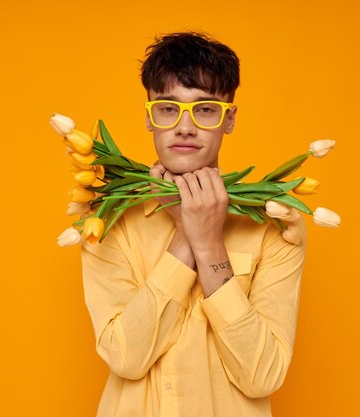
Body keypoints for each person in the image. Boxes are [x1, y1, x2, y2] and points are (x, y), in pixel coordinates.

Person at [81, 31, 307, 417]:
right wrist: (188, 234)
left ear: (229, 119)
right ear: (149, 117)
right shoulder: (107, 219)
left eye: (204, 109)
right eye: (168, 108)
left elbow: (263, 375)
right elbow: (124, 357)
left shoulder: (275, 223)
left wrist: (209, 245)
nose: (185, 127)